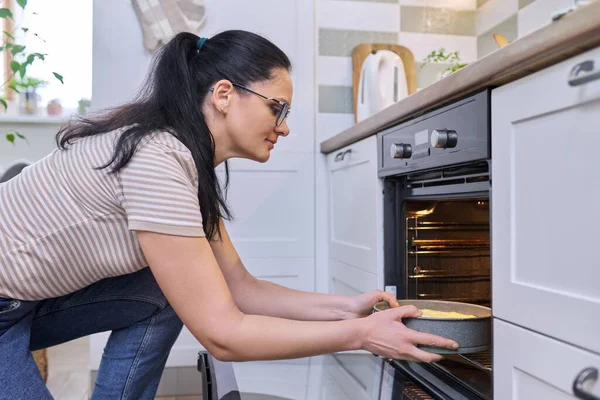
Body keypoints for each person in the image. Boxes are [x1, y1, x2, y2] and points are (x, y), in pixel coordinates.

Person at [0, 30, 458, 400]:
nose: (285, 126)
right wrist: (360, 336)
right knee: (177, 296)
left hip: (26, 303)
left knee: (165, 292)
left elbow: (241, 290)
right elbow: (223, 333)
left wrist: (346, 310)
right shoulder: (158, 159)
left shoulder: (185, 164)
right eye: (276, 108)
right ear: (223, 94)